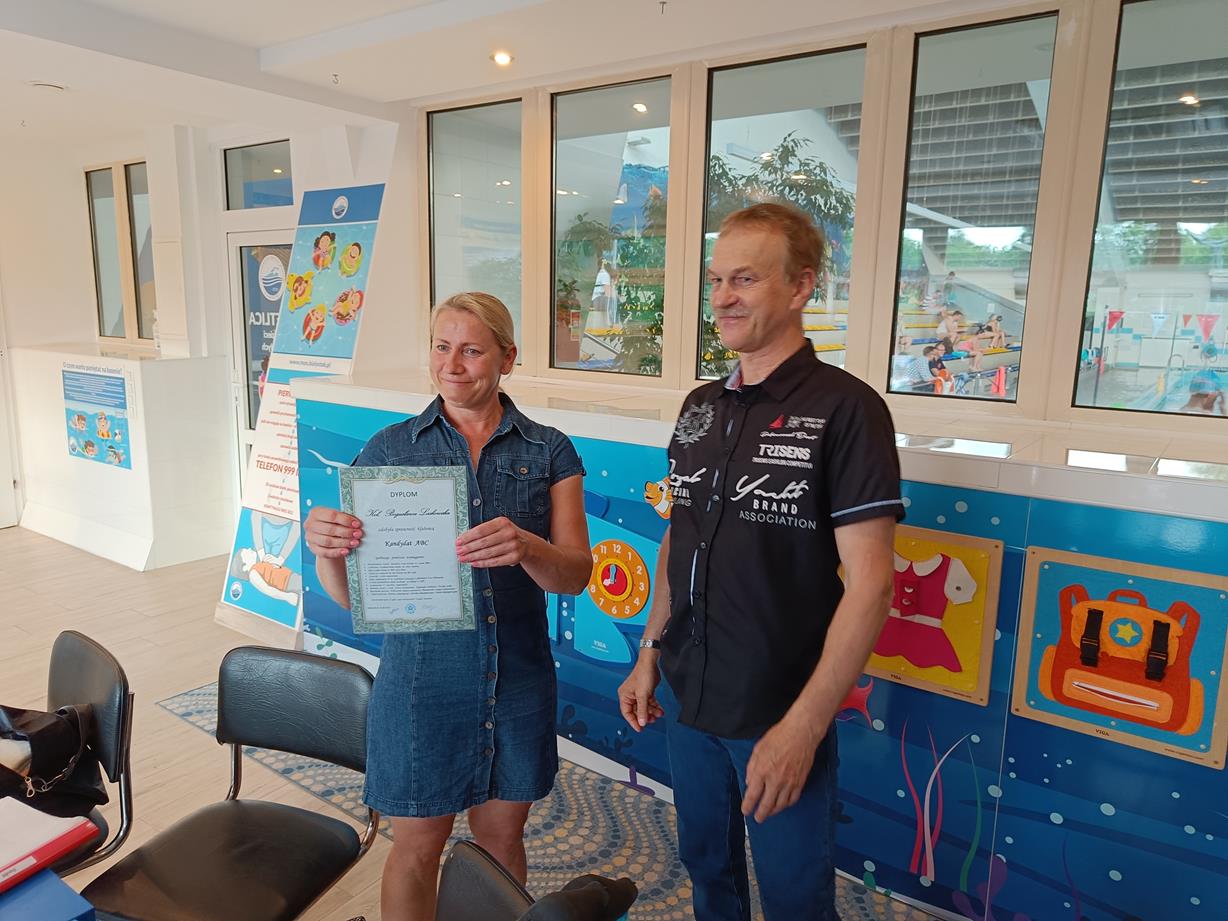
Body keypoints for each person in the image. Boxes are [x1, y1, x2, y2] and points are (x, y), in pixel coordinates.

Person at [617, 203, 902, 921]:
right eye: (716, 279)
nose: (722, 297)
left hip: (778, 707)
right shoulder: (699, 406)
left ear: (801, 286)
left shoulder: (847, 410)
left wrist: (804, 727)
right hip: (689, 691)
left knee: (795, 897)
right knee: (707, 871)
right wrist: (649, 651)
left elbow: (872, 585)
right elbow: (679, 537)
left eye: (744, 279)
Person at [304, 292, 592, 921]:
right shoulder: (390, 449)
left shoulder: (549, 451)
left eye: (471, 350)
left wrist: (528, 547)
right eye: (441, 347)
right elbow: (355, 595)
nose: (452, 365)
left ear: (507, 358)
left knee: (500, 846)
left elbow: (575, 576)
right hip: (420, 684)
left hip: (516, 680)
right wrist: (326, 550)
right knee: (415, 850)